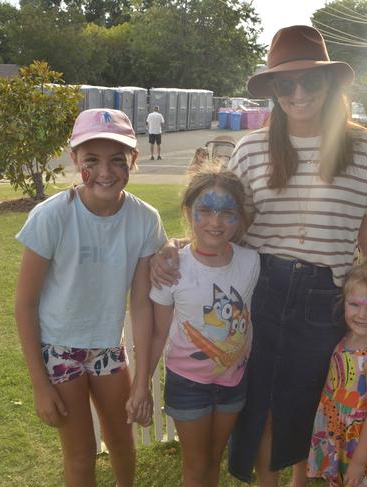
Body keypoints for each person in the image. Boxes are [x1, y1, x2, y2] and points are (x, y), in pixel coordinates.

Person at [151, 25, 367, 487]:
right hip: (259, 290)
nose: (298, 93)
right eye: (285, 83)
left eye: (311, 81)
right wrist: (175, 246)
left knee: (304, 405)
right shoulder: (252, 149)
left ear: (330, 83)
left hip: (327, 294)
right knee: (259, 406)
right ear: (274, 91)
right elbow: (221, 222)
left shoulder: (364, 148)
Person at [14, 109, 166, 487]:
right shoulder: (51, 216)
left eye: (118, 160)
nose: (105, 172)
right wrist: (39, 383)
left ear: (133, 159)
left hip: (108, 350)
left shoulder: (145, 219)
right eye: (92, 160)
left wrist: (142, 379)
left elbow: (142, 303)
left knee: (122, 442)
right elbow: (25, 304)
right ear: (75, 160)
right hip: (60, 351)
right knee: (80, 455)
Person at [146, 169, 260, 487]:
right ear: (188, 211)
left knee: (213, 458)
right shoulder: (172, 268)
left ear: (239, 217)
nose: (216, 222)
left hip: (233, 382)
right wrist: (141, 382)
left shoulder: (252, 262)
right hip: (188, 385)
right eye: (206, 210)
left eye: (227, 212)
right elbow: (157, 332)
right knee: (195, 466)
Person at [307, 255, 367, 487]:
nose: (361, 314)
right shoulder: (345, 338)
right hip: (339, 435)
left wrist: (359, 463)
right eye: (355, 304)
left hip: (362, 445)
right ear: (344, 301)